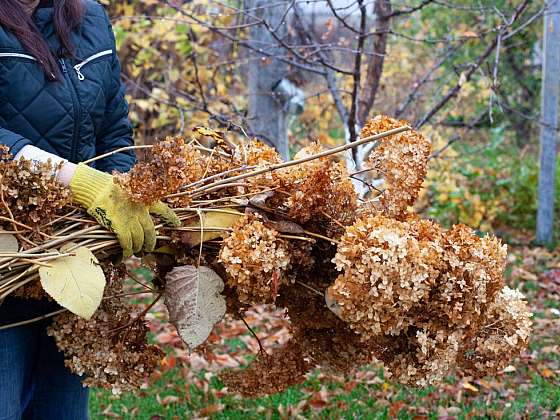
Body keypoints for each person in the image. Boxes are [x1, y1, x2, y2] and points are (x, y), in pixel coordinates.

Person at [0, 1, 179, 418]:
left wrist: (125, 192)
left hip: (75, 261)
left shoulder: (89, 17)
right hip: (7, 260)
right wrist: (77, 182)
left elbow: (114, 126)